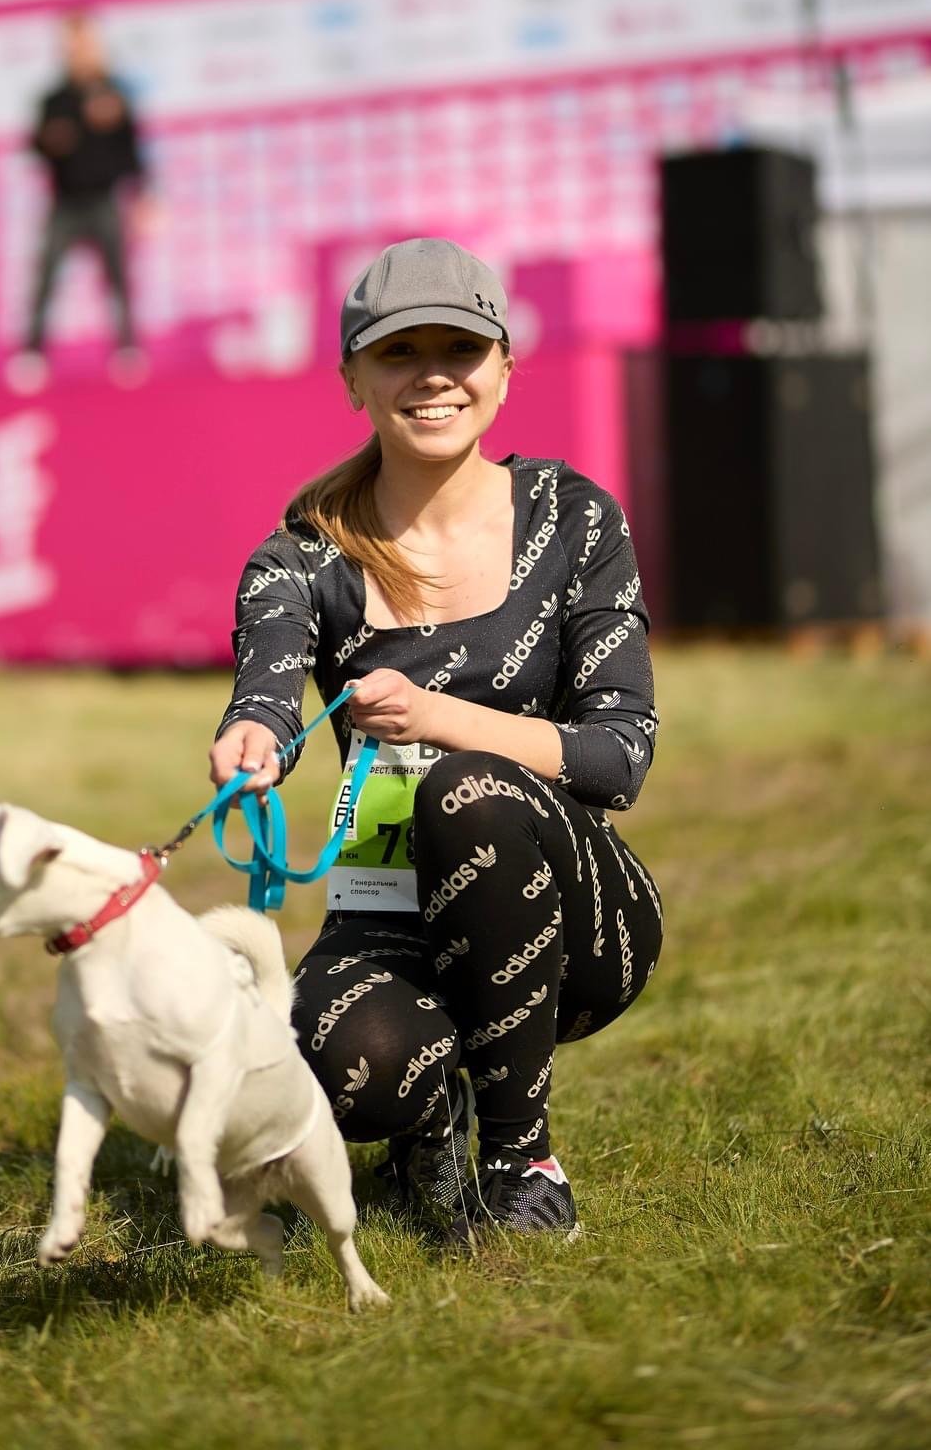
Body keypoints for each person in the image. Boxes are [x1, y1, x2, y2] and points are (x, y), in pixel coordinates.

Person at [208, 237, 663, 1246]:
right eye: (397, 351)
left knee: (470, 789)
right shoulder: (300, 553)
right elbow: (269, 689)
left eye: (458, 347)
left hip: (577, 919)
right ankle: (430, 1124)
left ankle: (520, 1152)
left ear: (504, 367)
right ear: (352, 381)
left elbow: (620, 754)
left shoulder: (574, 518)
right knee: (351, 1071)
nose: (432, 375)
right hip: (386, 906)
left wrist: (443, 719)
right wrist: (252, 732)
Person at [11, 10, 149, 390]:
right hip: (66, 203)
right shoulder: (54, 99)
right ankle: (33, 353)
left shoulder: (115, 95)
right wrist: (52, 140)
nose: (78, 52)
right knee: (46, 277)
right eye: (71, 44)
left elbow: (132, 150)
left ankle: (127, 348)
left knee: (118, 277)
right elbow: (38, 144)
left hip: (104, 199)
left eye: (84, 43)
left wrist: (143, 195)